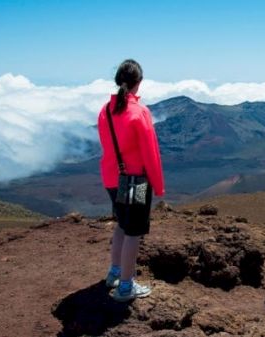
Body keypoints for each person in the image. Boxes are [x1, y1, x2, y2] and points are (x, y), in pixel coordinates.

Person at [97, 59, 164, 302]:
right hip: (135, 181)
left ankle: (114, 272)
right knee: (134, 232)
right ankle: (125, 287)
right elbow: (151, 153)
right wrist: (158, 184)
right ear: (140, 82)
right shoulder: (140, 112)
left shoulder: (105, 110)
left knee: (122, 225)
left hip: (111, 178)